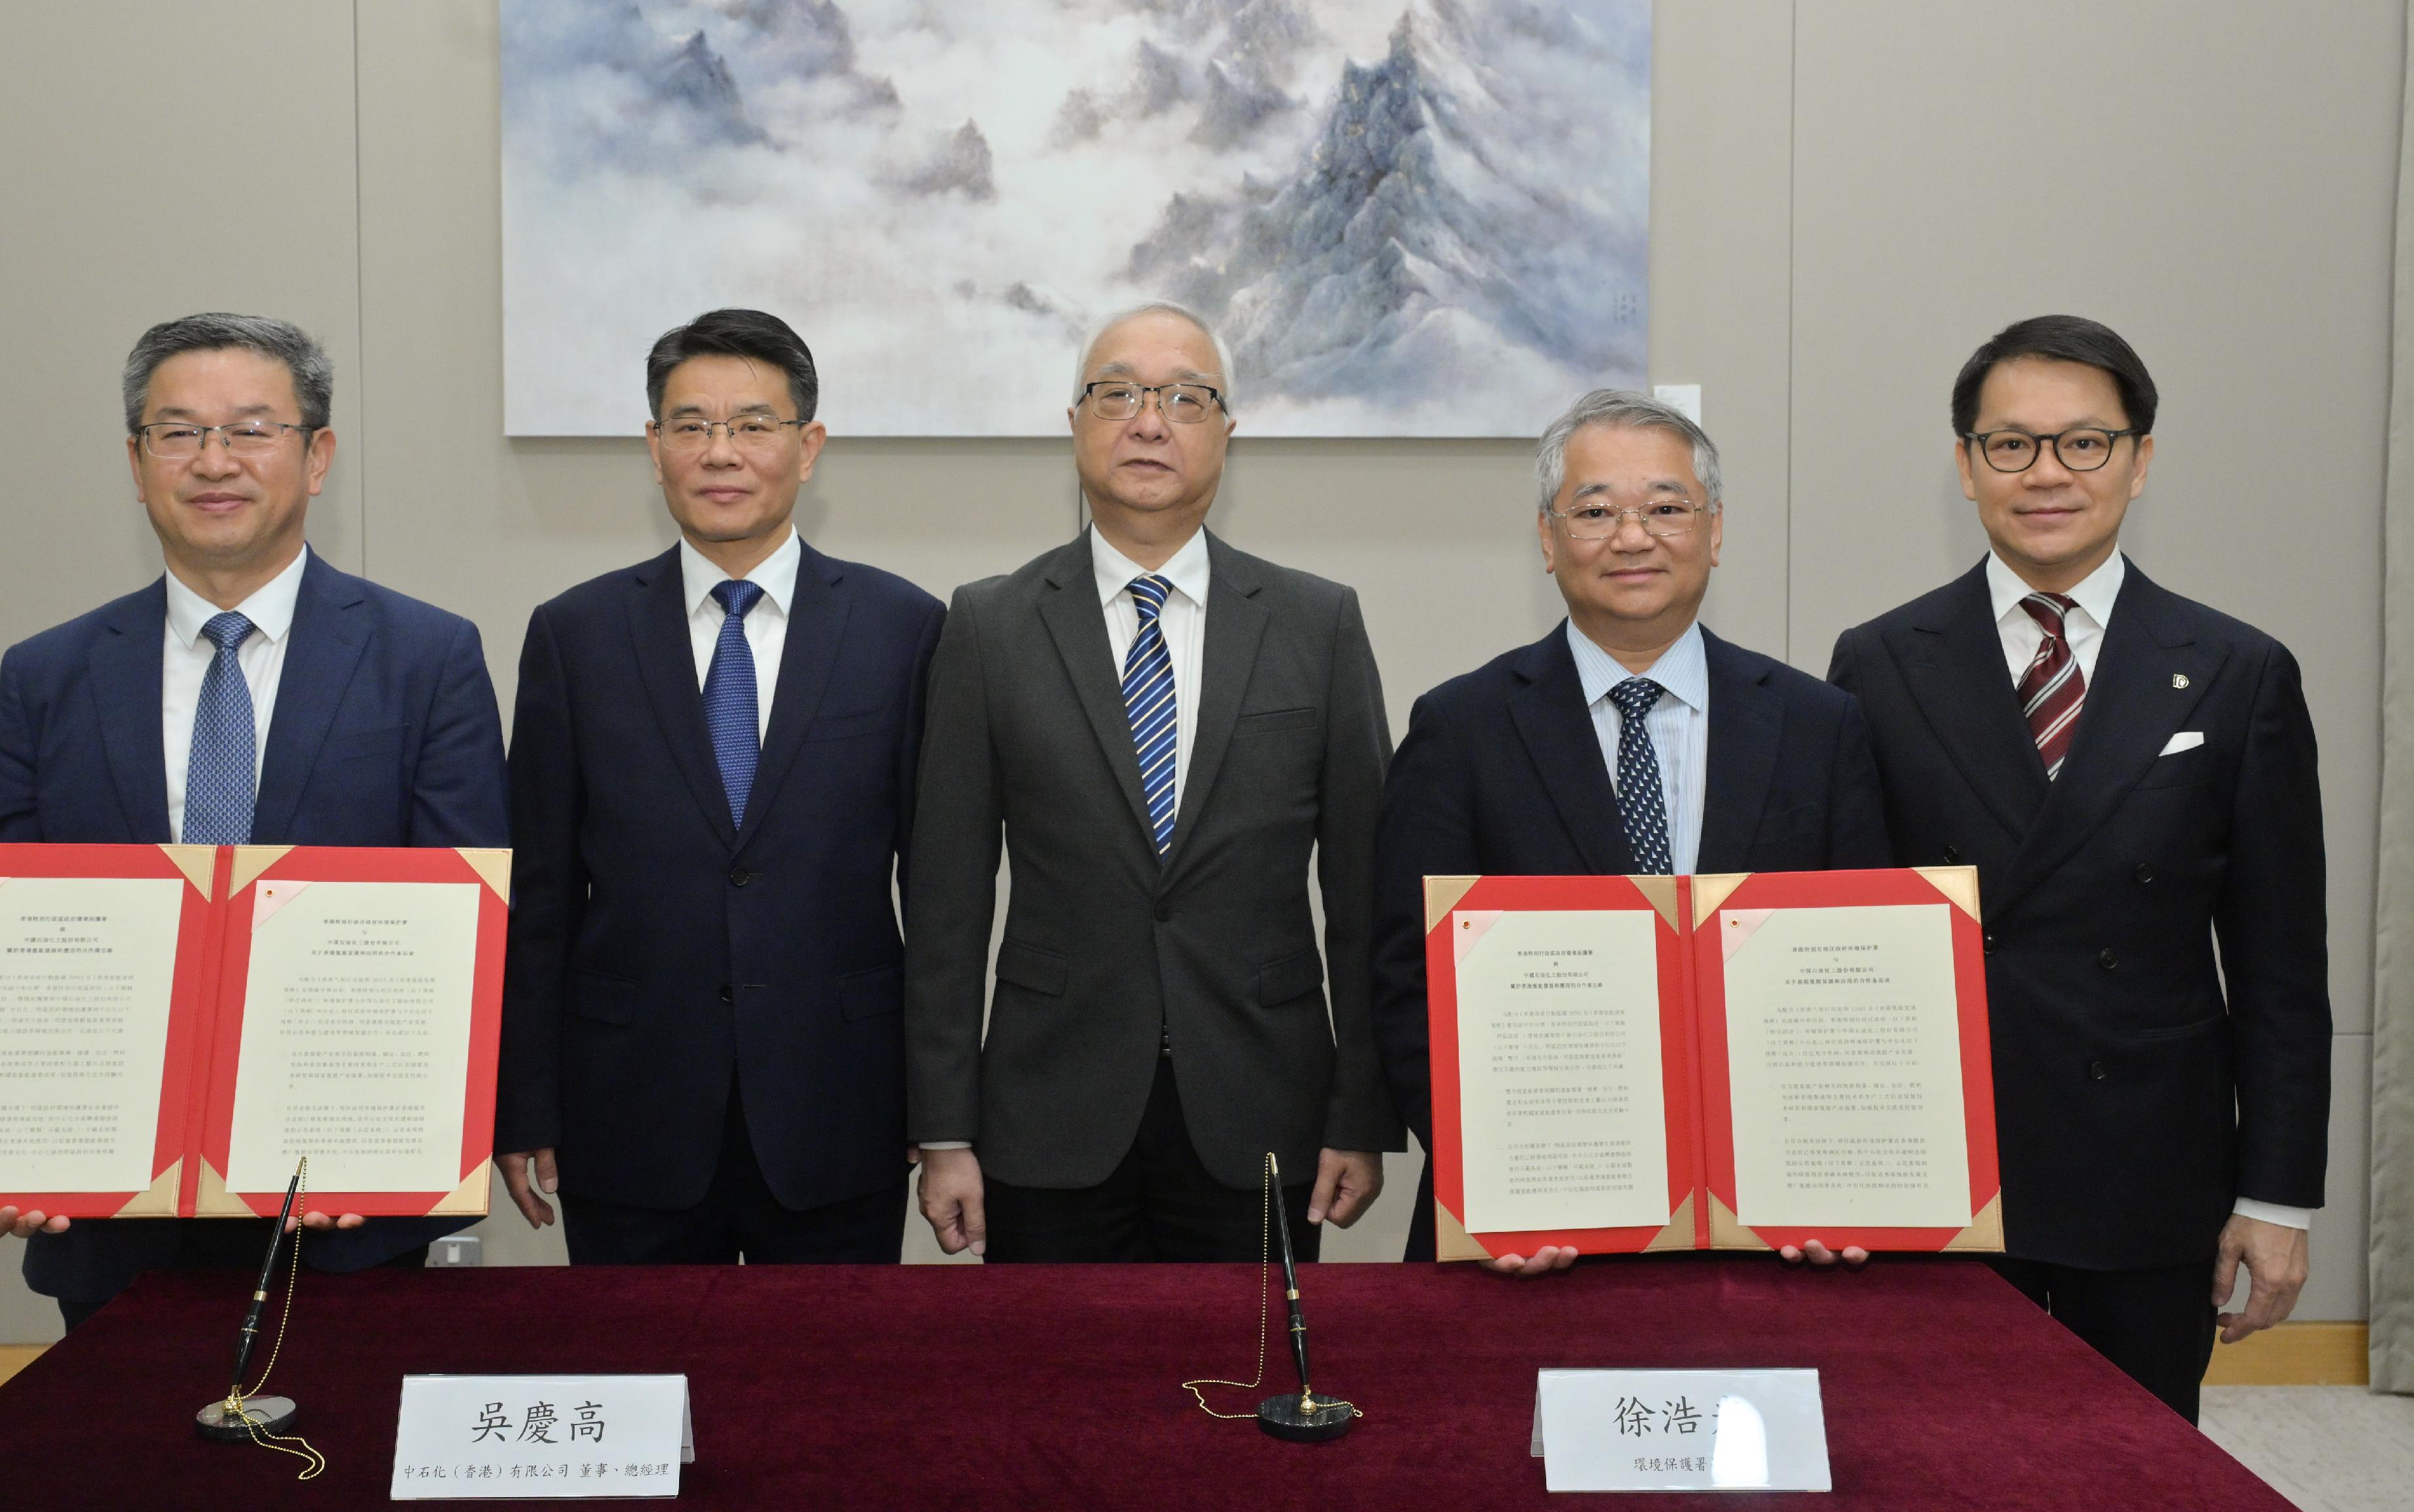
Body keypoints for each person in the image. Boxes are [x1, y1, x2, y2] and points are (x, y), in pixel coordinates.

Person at [1828, 315, 2329, 1423]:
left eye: (2084, 443)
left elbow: (2282, 967)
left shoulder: (2238, 671)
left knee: (2139, 1474)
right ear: (1965, 466)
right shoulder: (1880, 659)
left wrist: (2277, 1193)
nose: (2046, 472)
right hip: (1944, 1165)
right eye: (2011, 444)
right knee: (1937, 1468)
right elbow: (1845, 943)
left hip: (2150, 1165)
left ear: (2142, 460)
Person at [0, 312, 507, 1330]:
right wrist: (14, 1145)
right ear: (136, 462)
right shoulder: (45, 675)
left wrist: (398, 1144)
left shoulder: (427, 658)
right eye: (178, 432)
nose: (215, 461)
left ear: (318, 457)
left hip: (345, 1199)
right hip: (108, 1201)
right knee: (129, 1480)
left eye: (252, 428)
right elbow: (9, 933)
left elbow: (461, 929)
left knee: (331, 1479)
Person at [904, 303, 1403, 1263]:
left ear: (1226, 432)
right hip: (1045, 1113)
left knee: (1249, 1398)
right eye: (1118, 393)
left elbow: (1365, 898)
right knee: (1056, 1401)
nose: (1148, 421)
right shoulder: (990, 626)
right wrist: (944, 1130)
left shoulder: (1317, 623)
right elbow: (946, 902)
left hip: (1264, 1108)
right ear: (1075, 423)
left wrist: (1362, 1111)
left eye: (1185, 397)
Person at [1372, 388, 1890, 1270]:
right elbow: (1405, 977)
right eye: (1596, 510)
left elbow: (1865, 966)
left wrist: (1837, 1180)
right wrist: (1494, 1177)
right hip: (1528, 1228)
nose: (1632, 535)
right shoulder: (1462, 727)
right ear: (1547, 538)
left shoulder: (1819, 723)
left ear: (1716, 530)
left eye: (1665, 507)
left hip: (1766, 1230)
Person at [494, 310, 944, 1264]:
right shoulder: (574, 636)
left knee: (830, 1397)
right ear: (654, 449)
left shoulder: (903, 629)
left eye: (753, 424)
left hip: (841, 1100)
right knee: (640, 1390)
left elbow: (939, 892)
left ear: (808, 446)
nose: (720, 452)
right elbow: (536, 894)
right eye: (691, 425)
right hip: (628, 1105)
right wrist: (523, 1100)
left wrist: (941, 1107)